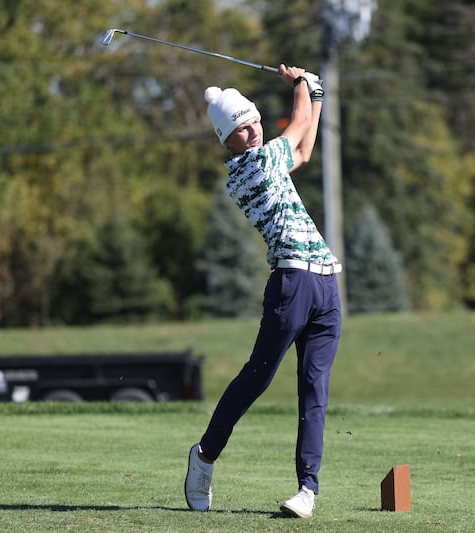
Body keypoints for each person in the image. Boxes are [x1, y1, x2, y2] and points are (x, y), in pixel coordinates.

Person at [184, 65, 342, 519]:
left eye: (253, 121)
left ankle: (307, 490)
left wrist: (315, 94)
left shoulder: (270, 160)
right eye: (240, 128)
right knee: (257, 378)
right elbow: (296, 130)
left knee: (315, 388)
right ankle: (204, 458)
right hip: (291, 282)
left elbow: (305, 150)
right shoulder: (248, 170)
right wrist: (301, 88)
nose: (251, 131)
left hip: (327, 283)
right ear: (226, 141)